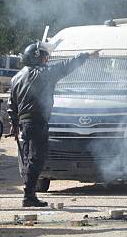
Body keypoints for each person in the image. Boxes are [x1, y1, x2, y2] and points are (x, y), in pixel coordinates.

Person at [7, 42, 98, 207]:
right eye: (44, 56)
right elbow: (67, 65)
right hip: (37, 122)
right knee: (36, 160)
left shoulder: (16, 77)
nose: (46, 60)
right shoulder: (45, 73)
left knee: (29, 159)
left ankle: (29, 194)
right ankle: (29, 196)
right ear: (37, 57)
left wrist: (14, 124)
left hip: (24, 124)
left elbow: (11, 106)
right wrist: (87, 55)